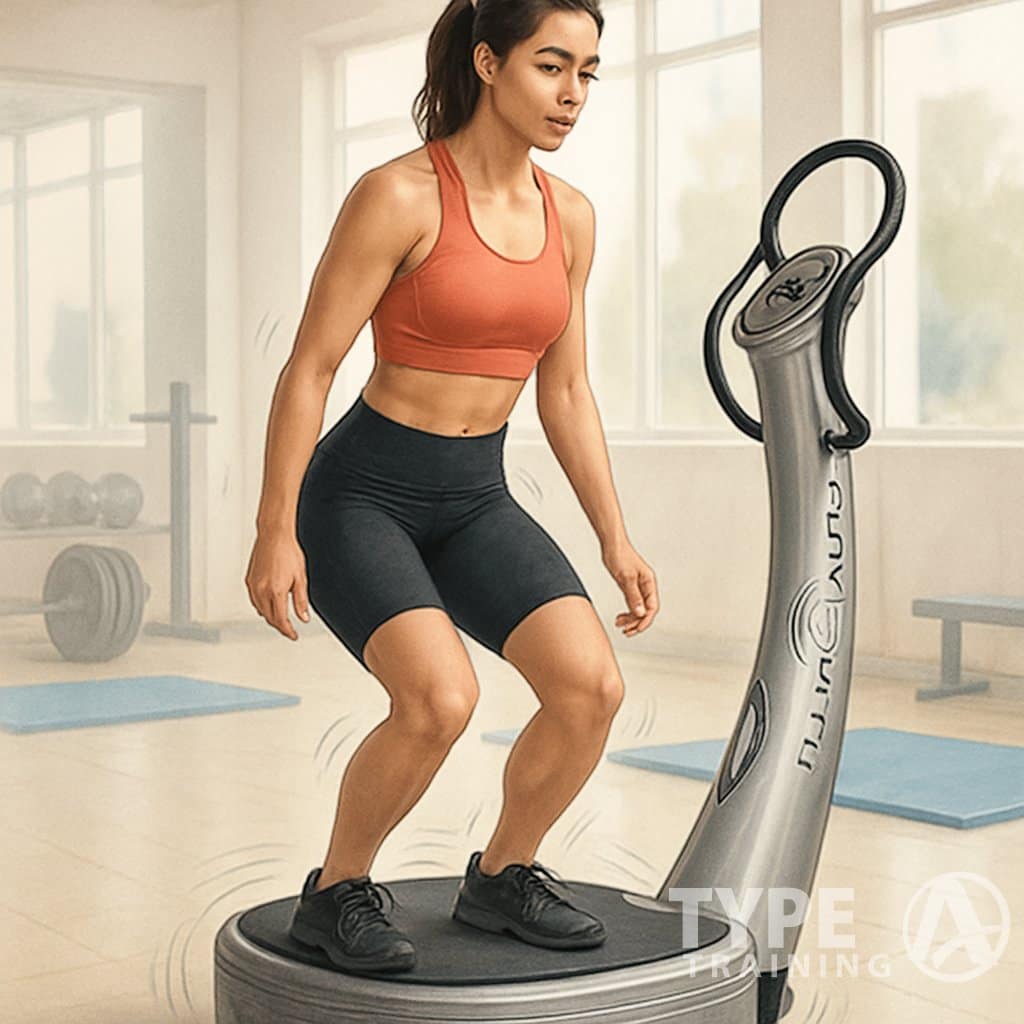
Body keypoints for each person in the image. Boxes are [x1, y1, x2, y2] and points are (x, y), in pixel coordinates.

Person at [246, 0, 659, 977]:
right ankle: (336, 889)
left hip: (474, 496)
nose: (571, 94)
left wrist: (616, 538)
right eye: (550, 66)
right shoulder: (398, 195)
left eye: (587, 73)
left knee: (590, 687)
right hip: (361, 494)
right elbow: (310, 365)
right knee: (437, 699)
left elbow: (564, 391)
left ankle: (502, 874)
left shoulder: (572, 218)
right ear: (487, 62)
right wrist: (274, 528)